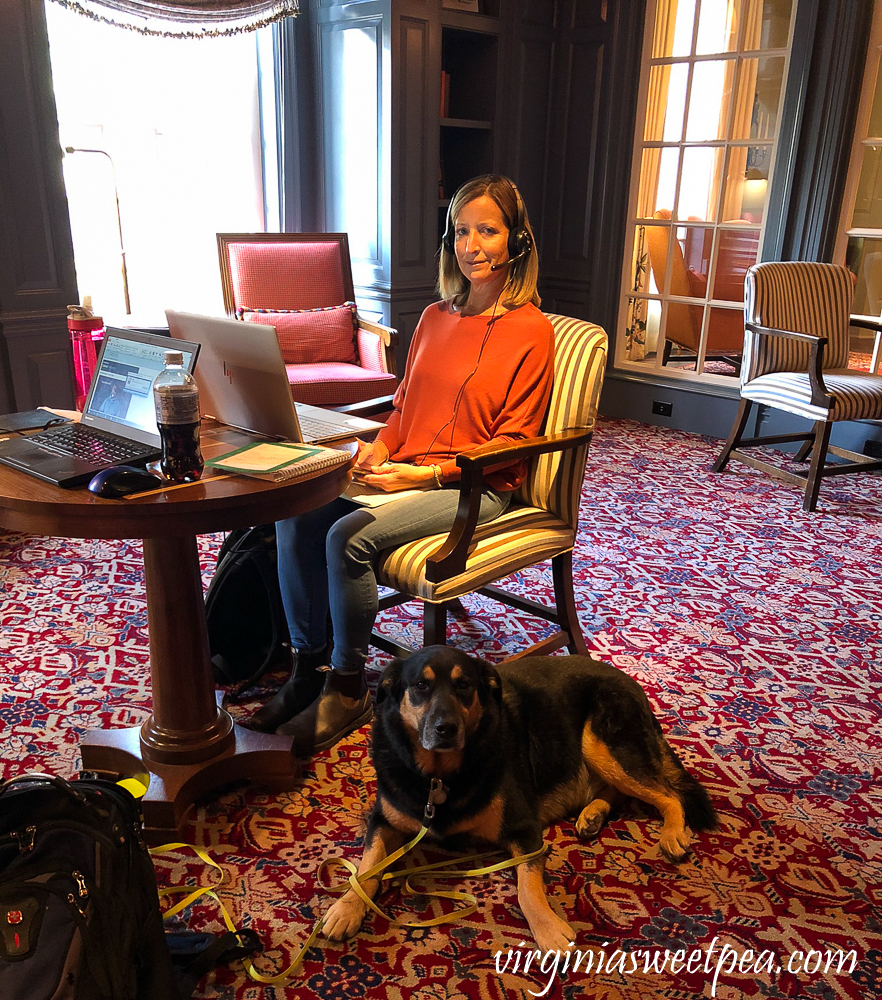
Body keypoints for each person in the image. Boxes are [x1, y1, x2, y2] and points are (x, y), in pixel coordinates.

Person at [248, 174, 555, 754]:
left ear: (517, 241)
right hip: (407, 471)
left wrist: (423, 474)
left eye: (488, 230)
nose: (472, 245)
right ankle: (306, 671)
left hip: (475, 486)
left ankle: (346, 687)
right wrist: (381, 450)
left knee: (346, 539)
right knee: (294, 513)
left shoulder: (532, 332)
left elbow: (513, 442)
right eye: (462, 231)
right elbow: (402, 410)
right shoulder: (436, 317)